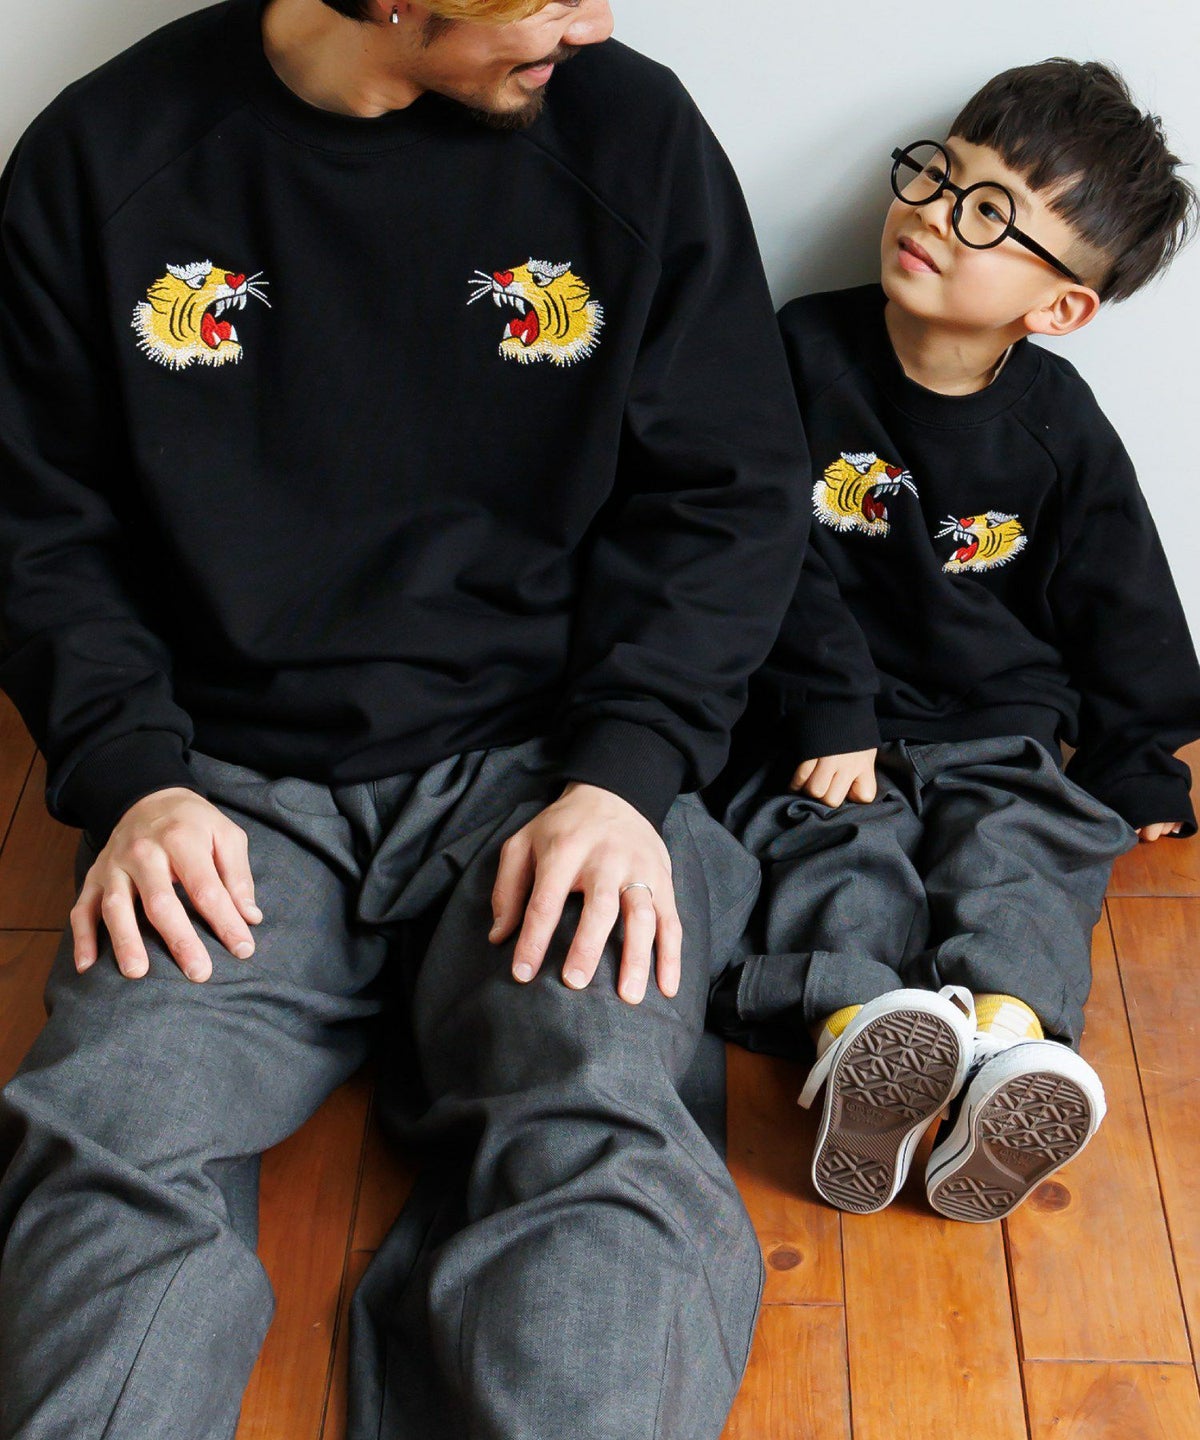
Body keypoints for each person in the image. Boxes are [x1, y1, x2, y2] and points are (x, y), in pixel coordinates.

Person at [0, 1, 810, 1435]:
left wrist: (626, 775)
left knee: (602, 1138)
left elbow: (727, 495)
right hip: (226, 783)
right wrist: (133, 778)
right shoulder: (104, 158)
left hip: (550, 772)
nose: (592, 20)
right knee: (109, 1135)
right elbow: (37, 525)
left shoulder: (632, 133)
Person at [707, 59, 1200, 1224]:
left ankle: (1008, 1045)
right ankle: (861, 1034)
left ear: (1058, 307)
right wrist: (830, 709)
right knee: (838, 856)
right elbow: (763, 547)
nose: (933, 214)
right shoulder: (800, 354)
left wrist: (1139, 763)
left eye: (988, 215)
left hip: (997, 723)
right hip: (829, 731)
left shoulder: (1058, 424)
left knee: (1027, 850)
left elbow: (1122, 598)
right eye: (939, 177)